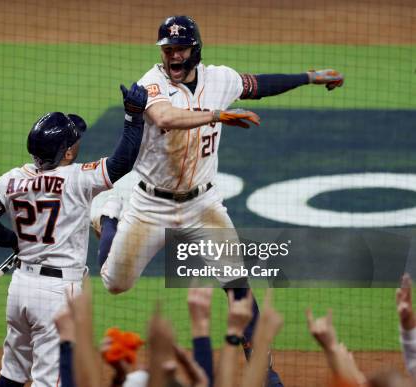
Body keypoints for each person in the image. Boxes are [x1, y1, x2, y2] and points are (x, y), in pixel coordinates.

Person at [96, 15, 344, 386]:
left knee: (237, 283)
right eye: (167, 51)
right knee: (115, 283)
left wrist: (308, 77)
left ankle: (264, 371)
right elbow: (165, 115)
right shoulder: (150, 84)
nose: (173, 57)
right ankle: (107, 213)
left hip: (202, 204)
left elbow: (259, 85)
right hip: (149, 206)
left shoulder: (220, 79)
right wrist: (215, 115)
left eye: (180, 49)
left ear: (195, 49)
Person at [0, 83, 148, 387]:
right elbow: (123, 161)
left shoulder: (12, 178)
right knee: (49, 380)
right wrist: (133, 117)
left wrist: (14, 242)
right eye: (74, 141)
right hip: (56, 294)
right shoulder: (78, 178)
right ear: (67, 152)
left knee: (12, 371)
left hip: (20, 289)